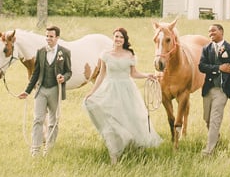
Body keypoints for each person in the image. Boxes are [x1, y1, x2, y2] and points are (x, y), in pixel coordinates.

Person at [83, 27, 162, 164]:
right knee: (112, 119)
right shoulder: (106, 54)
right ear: (113, 38)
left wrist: (147, 75)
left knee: (131, 118)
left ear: (124, 40)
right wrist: (92, 92)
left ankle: (134, 146)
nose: (118, 39)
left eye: (121, 37)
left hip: (127, 89)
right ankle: (114, 153)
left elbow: (133, 73)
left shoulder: (129, 55)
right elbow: (102, 75)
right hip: (111, 88)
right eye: (116, 36)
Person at [18, 25, 72, 157]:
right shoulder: (40, 51)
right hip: (41, 89)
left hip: (55, 90)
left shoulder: (64, 52)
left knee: (54, 120)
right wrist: (27, 91)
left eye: (51, 36)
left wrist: (63, 77)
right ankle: (35, 149)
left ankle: (49, 147)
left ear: (57, 37)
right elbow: (35, 73)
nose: (48, 39)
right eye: (47, 36)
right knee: (37, 119)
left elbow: (69, 72)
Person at [198, 23, 230, 156]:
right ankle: (216, 139)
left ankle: (209, 150)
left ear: (221, 31)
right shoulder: (206, 49)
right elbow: (201, 66)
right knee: (207, 119)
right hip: (208, 89)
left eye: (213, 31)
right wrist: (218, 68)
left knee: (215, 119)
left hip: (221, 90)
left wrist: (228, 89)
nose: (210, 34)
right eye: (209, 32)